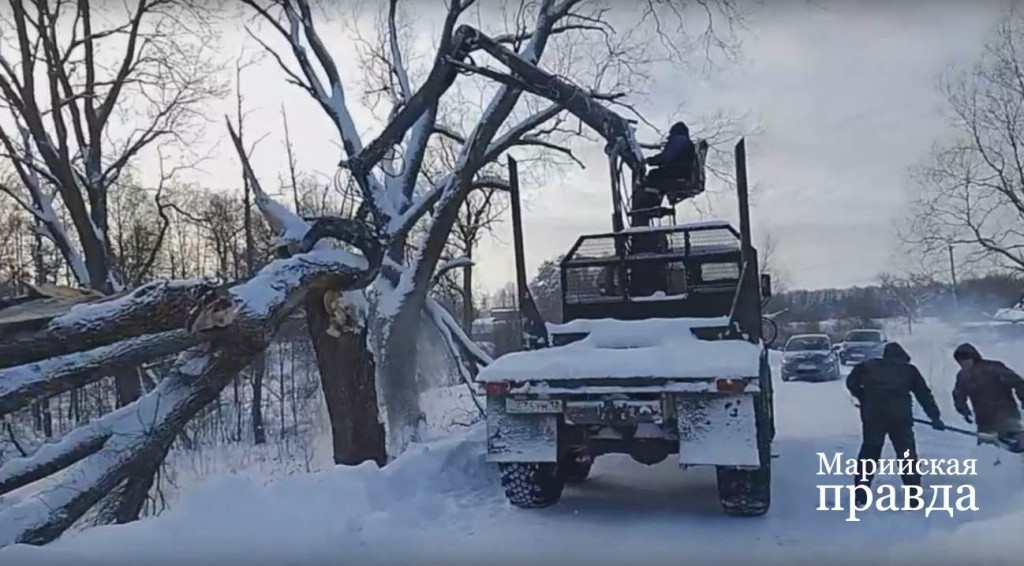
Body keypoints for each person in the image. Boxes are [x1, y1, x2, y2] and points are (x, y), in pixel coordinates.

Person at [846, 342, 944, 496]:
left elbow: (851, 382)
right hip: (900, 417)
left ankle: (860, 494)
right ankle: (913, 495)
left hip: (873, 417)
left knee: (870, 453)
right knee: (906, 455)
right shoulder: (909, 370)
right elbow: (923, 394)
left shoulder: (867, 367)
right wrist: (935, 417)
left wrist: (863, 397)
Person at [951, 343, 1024, 452]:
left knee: (1018, 447)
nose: (963, 364)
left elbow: (1018, 382)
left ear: (973, 357)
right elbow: (958, 394)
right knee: (988, 453)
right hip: (984, 421)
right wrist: (963, 409)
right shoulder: (962, 376)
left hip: (1007, 416)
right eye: (960, 362)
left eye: (965, 360)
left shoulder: (994, 368)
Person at [645, 121, 697, 186]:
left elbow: (666, 157)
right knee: (655, 175)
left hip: (678, 172)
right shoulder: (686, 142)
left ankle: (647, 194)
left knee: (653, 175)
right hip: (685, 172)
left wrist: (650, 160)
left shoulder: (678, 140)